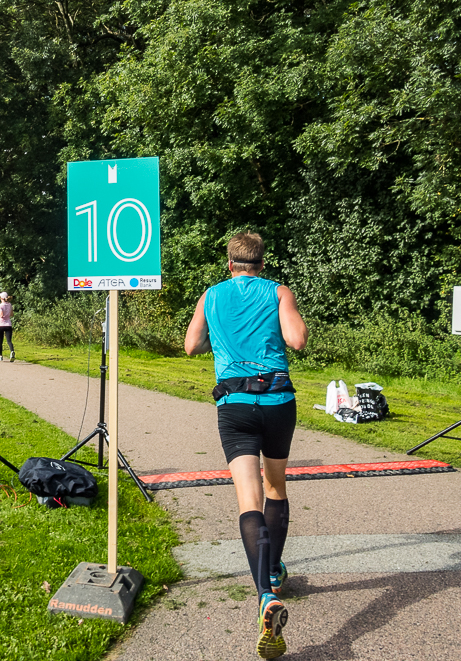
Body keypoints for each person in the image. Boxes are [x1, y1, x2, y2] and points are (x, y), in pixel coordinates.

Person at [183, 232, 308, 660]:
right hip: (277, 401)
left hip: (233, 405)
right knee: (276, 487)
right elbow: (297, 340)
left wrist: (220, 338)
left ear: (230, 261)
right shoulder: (278, 291)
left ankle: (264, 596)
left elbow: (190, 346)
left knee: (248, 500)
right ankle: (273, 570)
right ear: (260, 260)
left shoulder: (211, 296)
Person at [0, 291, 15, 362]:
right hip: (8, 324)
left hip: (1, 325)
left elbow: (1, 315)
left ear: (1, 298)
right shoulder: (9, 305)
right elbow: (12, 314)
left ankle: (0, 355)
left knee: (0, 341)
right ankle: (12, 351)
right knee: (9, 340)